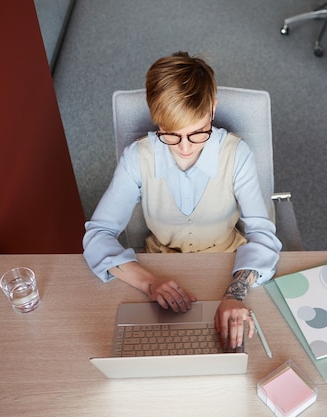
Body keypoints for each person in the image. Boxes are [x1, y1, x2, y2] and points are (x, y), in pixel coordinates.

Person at [83, 51, 282, 350]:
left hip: (230, 267)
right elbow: (98, 235)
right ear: (156, 119)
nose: (185, 148)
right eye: (171, 135)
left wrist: (235, 295)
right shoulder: (138, 158)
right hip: (160, 270)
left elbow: (262, 235)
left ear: (212, 109)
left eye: (198, 133)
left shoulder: (236, 154)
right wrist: (148, 283)